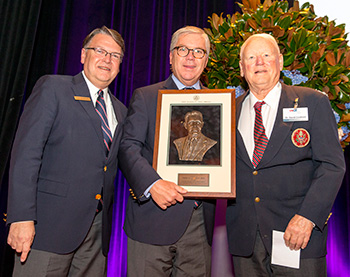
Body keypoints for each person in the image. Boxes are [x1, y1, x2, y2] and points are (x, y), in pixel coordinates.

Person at [6, 26, 127, 276]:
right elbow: (26, 155)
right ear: (83, 55)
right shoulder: (53, 88)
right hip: (47, 230)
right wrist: (20, 217)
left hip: (95, 237)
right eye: (101, 51)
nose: (107, 59)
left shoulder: (121, 110)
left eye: (115, 56)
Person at [226, 33, 346, 276]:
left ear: (280, 62)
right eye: (251, 57)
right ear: (242, 68)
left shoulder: (312, 102)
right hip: (245, 240)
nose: (259, 62)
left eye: (267, 55)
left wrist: (307, 217)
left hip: (297, 236)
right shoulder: (227, 110)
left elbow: (332, 165)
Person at [119, 26, 216, 276]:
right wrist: (153, 184)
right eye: (183, 49)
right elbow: (128, 147)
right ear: (171, 56)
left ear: (206, 60)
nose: (191, 57)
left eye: (198, 51)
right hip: (151, 219)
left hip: (199, 223)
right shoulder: (147, 96)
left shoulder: (219, 106)